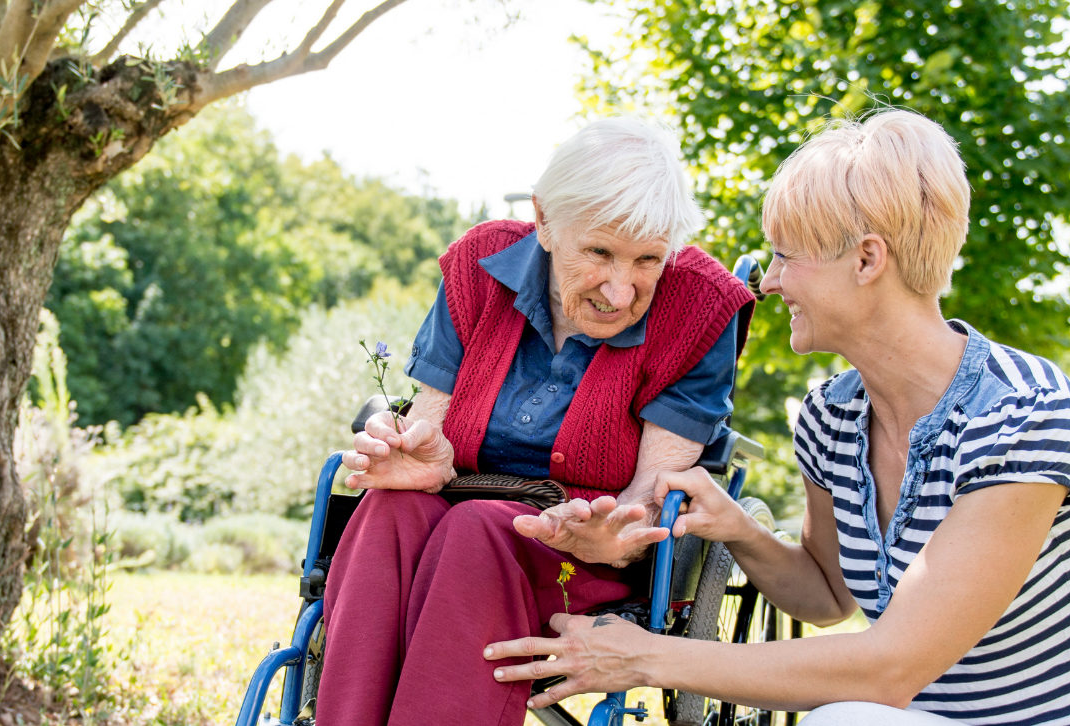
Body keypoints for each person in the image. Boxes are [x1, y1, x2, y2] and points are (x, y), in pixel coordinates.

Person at [484, 110, 1070, 726]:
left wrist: (647, 656)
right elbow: (827, 593)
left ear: (867, 259)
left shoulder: (1023, 415)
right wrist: (739, 529)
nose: (768, 282)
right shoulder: (833, 417)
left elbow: (891, 669)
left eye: (784, 255)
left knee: (847, 722)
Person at [312, 117, 754, 726]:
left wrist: (617, 539)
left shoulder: (701, 307)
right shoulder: (480, 264)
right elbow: (432, 430)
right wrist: (418, 453)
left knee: (476, 532)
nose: (620, 292)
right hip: (457, 517)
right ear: (544, 221)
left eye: (648, 260)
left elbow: (648, 501)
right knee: (391, 511)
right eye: (598, 252)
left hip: (581, 552)